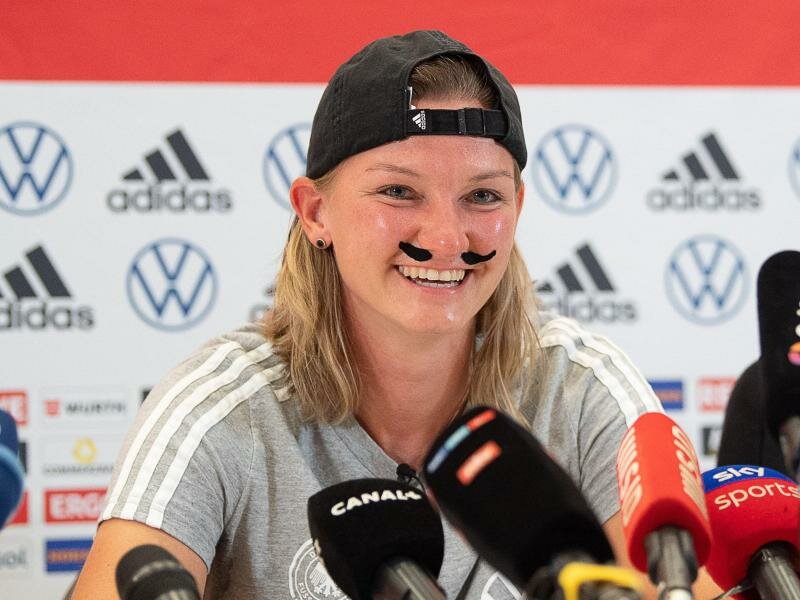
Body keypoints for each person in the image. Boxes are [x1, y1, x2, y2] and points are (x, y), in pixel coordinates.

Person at [72, 30, 712, 599]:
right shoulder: (219, 409)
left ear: (517, 207)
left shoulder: (581, 388)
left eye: (482, 196)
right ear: (315, 211)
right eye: (398, 191)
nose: (445, 236)